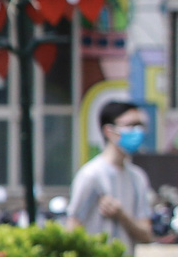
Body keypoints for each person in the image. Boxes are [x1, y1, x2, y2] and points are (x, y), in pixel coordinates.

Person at [65, 99, 156, 248]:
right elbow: (72, 228)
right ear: (109, 131)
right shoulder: (91, 175)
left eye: (140, 125)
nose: (137, 131)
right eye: (130, 125)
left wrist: (121, 215)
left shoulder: (137, 177)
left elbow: (146, 234)